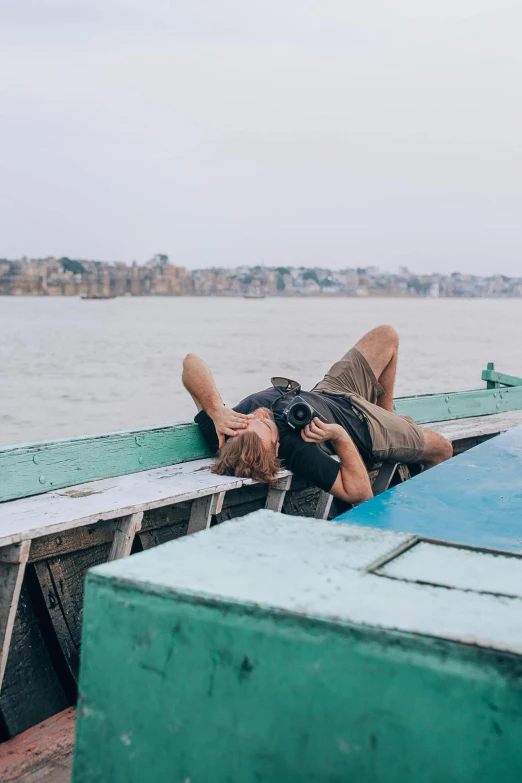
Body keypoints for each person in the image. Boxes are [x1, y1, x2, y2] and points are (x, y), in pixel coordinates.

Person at [182, 325, 453, 506]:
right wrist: (340, 436)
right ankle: (391, 426)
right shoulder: (297, 448)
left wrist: (215, 408)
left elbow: (191, 362)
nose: (257, 415)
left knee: (386, 336)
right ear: (277, 447)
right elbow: (360, 493)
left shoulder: (225, 429)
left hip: (331, 391)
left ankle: (389, 413)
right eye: (266, 424)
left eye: (248, 421)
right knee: (443, 449)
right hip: (365, 426)